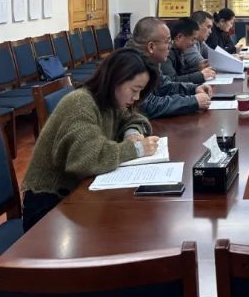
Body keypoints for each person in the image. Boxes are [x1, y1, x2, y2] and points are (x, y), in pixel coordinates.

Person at [21, 48, 160, 231]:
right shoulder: (81, 103)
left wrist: (131, 133)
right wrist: (136, 149)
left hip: (79, 193)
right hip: (50, 205)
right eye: (135, 90)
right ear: (115, 80)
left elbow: (133, 118)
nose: (136, 97)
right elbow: (89, 159)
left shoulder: (110, 101)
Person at [126, 17, 212, 118]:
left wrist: (194, 88)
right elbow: (147, 106)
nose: (170, 46)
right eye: (167, 42)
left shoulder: (150, 60)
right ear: (151, 47)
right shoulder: (132, 64)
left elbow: (164, 87)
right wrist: (193, 101)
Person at [162, 17, 216, 85]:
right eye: (192, 39)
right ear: (179, 37)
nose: (194, 43)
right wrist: (201, 75)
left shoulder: (179, 51)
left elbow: (181, 74)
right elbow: (171, 82)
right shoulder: (166, 53)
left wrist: (198, 69)